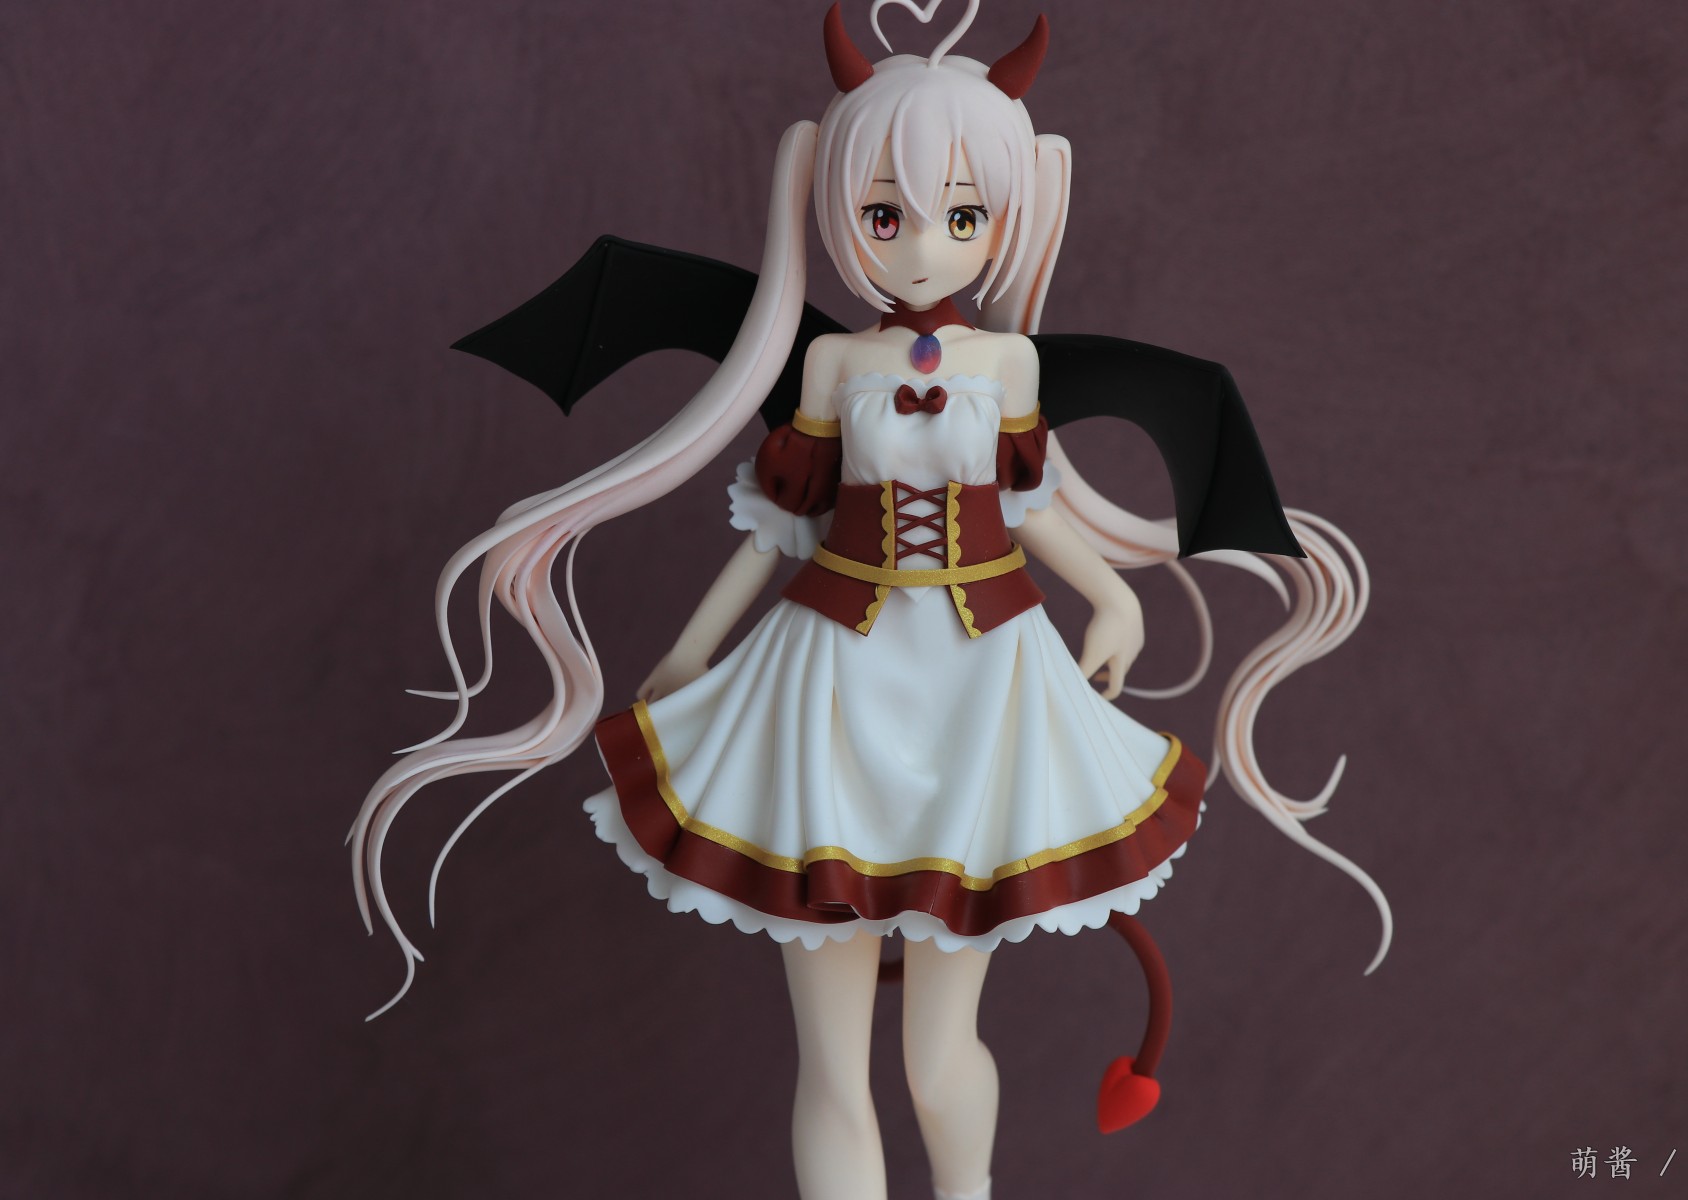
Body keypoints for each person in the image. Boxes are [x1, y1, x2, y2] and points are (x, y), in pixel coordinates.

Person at [351, 5, 1387, 1198]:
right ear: (838, 207)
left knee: (940, 1055)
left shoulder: (1008, 366)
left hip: (985, 683)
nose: (923, 246)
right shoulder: (833, 367)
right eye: (885, 215)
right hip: (831, 684)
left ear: (1007, 218)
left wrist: (1114, 594)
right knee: (833, 1063)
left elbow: (1028, 501)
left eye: (963, 217)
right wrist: (692, 650)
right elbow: (780, 522)